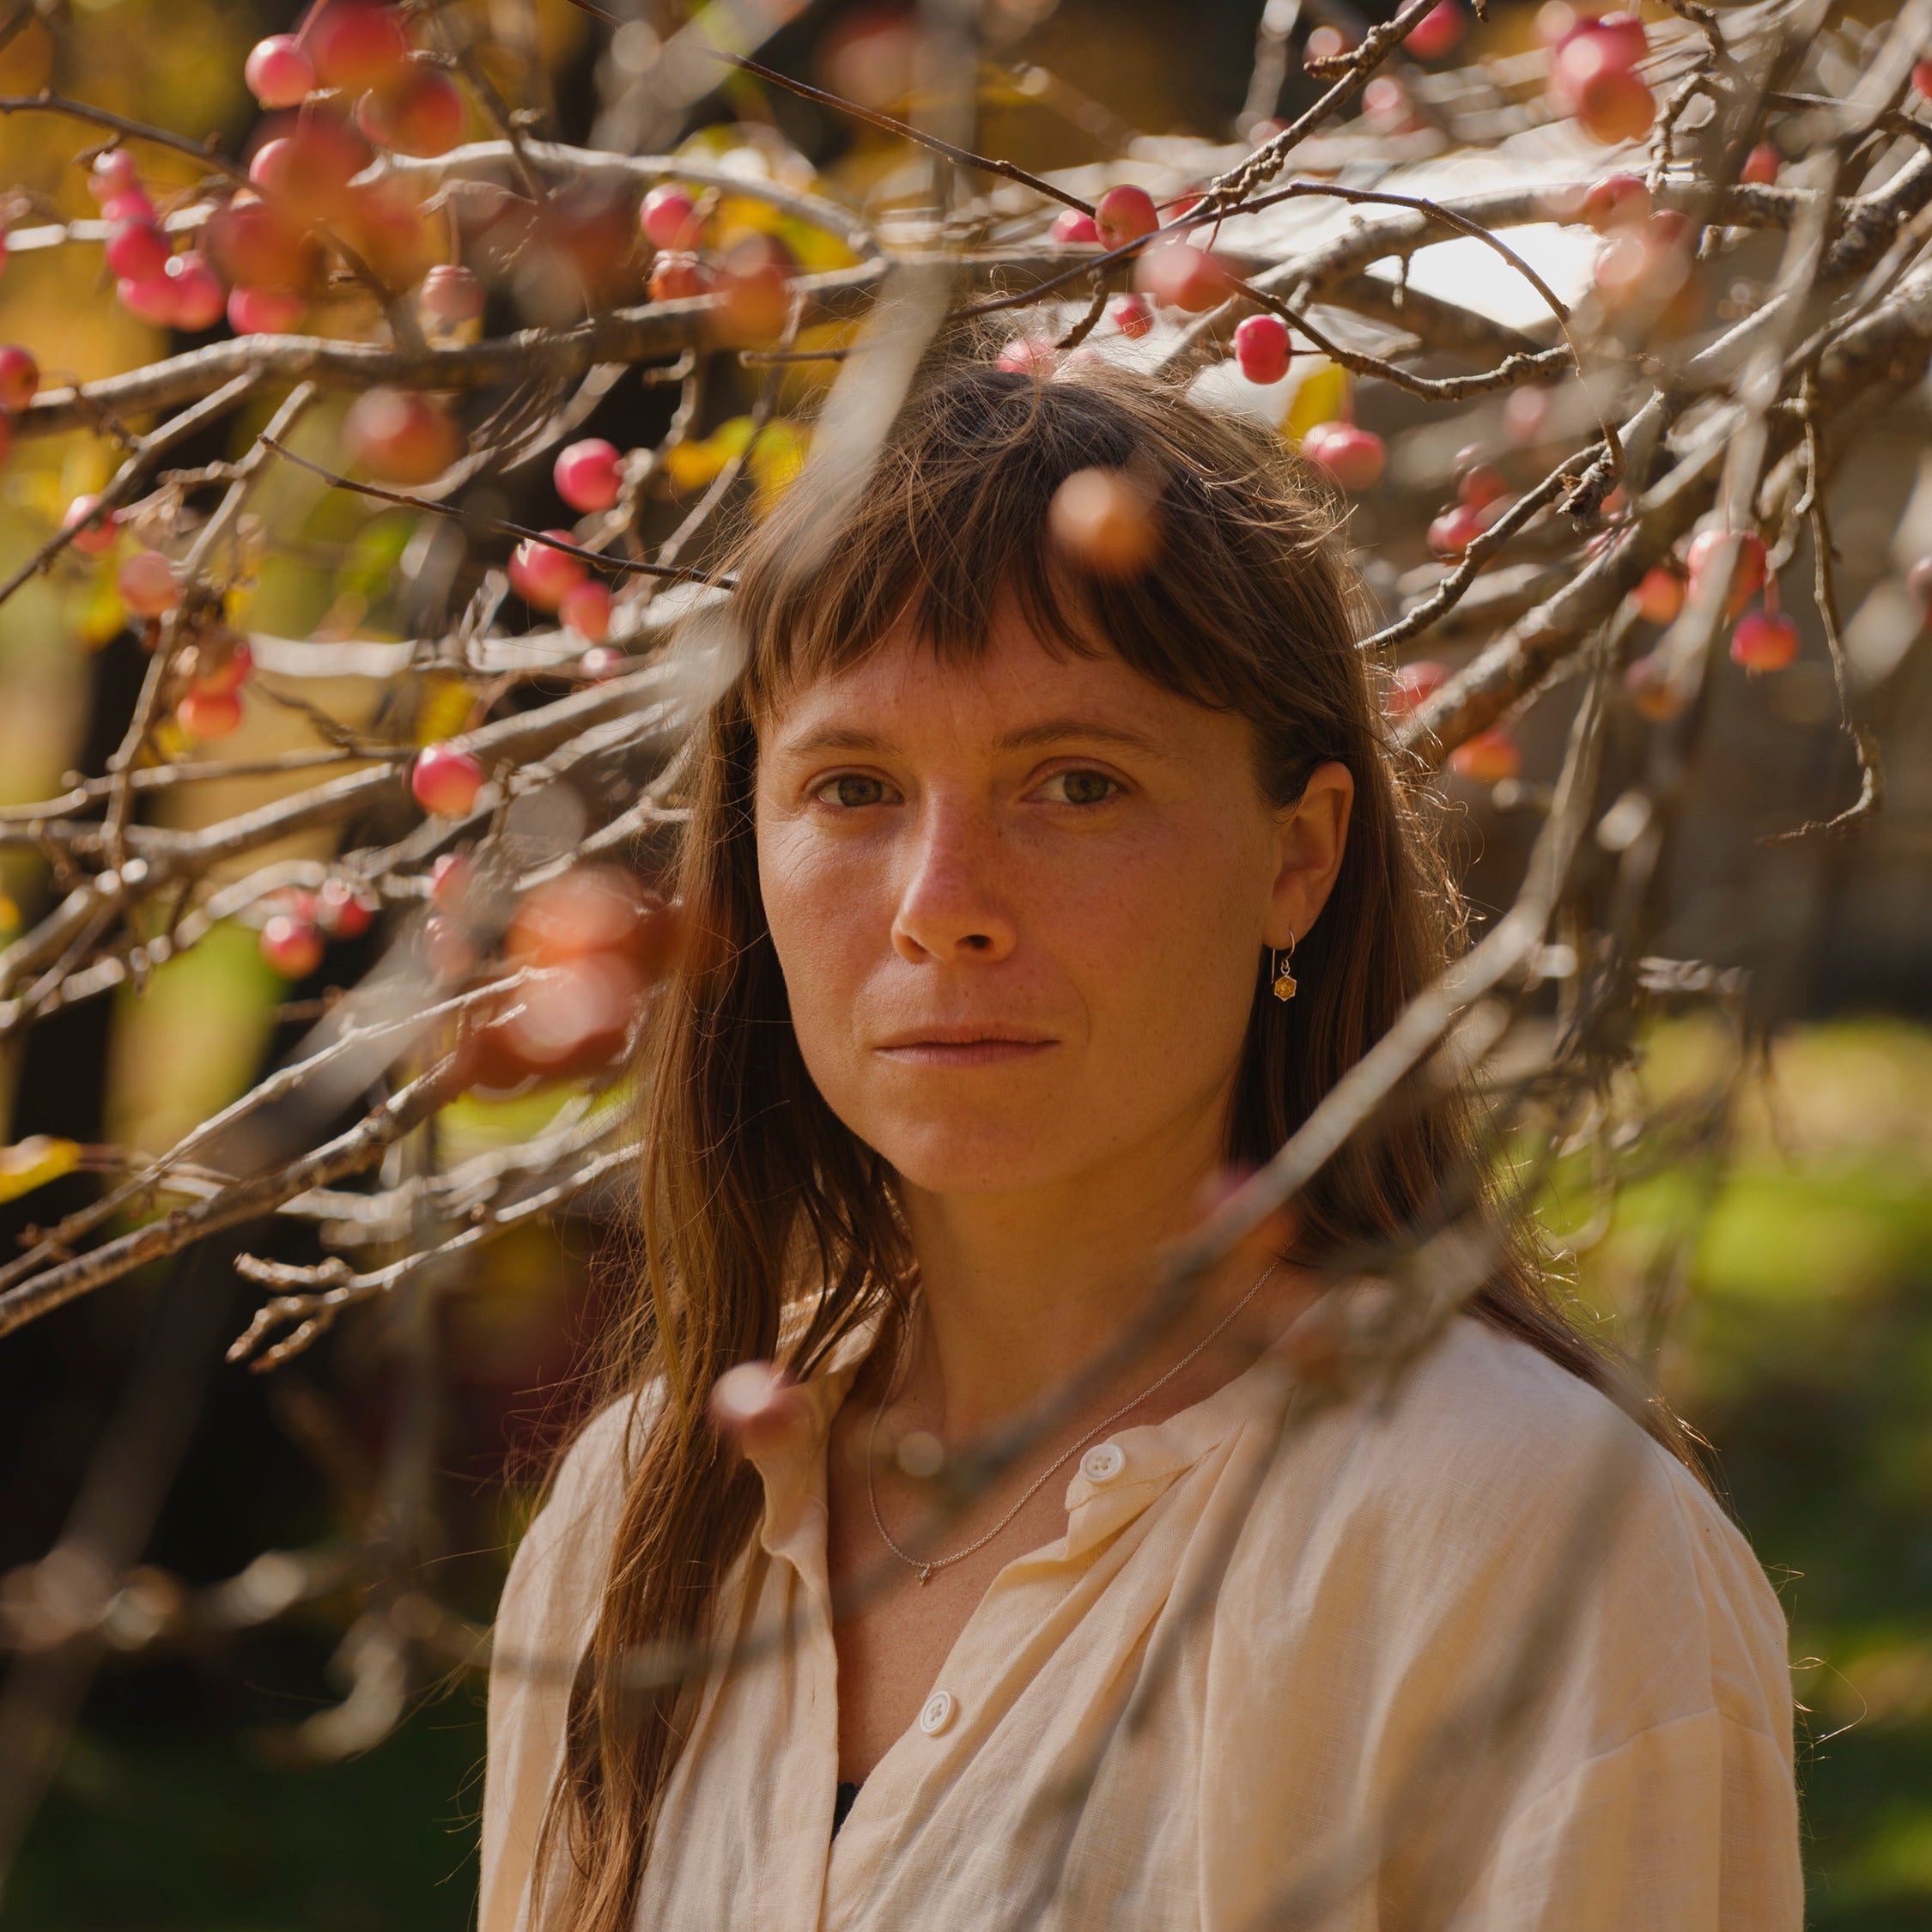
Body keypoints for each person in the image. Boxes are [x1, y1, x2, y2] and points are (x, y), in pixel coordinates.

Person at [480, 361, 1801, 1932]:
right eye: (851, 786)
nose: (939, 898)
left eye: (1076, 782)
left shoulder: (1538, 1552)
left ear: (1296, 859)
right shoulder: (637, 1518)